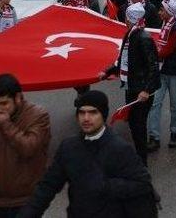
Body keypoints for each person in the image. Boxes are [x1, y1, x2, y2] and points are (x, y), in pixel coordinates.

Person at [18, 90, 159, 218]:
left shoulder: (120, 149)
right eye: (82, 112)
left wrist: (106, 185)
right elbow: (48, 186)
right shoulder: (69, 147)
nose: (86, 118)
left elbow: (143, 184)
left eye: (93, 112)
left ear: (103, 115)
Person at [0, 74, 50, 218]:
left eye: (4, 103)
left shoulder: (38, 116)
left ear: (18, 97)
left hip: (22, 203)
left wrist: (5, 124)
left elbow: (28, 149)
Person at [100, 3, 161, 165]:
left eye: (127, 16)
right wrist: (108, 71)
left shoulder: (144, 38)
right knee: (133, 124)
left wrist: (146, 90)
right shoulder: (131, 34)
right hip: (131, 85)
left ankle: (142, 161)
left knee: (138, 124)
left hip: (141, 90)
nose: (125, 19)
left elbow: (153, 67)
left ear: (131, 18)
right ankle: (138, 155)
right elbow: (124, 60)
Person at [147, 0, 176, 151]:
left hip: (175, 71)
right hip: (162, 70)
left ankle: (174, 133)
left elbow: (166, 50)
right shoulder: (166, 25)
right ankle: (154, 136)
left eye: (162, 10)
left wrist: (150, 55)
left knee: (174, 105)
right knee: (155, 103)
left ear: (169, 12)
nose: (159, 12)